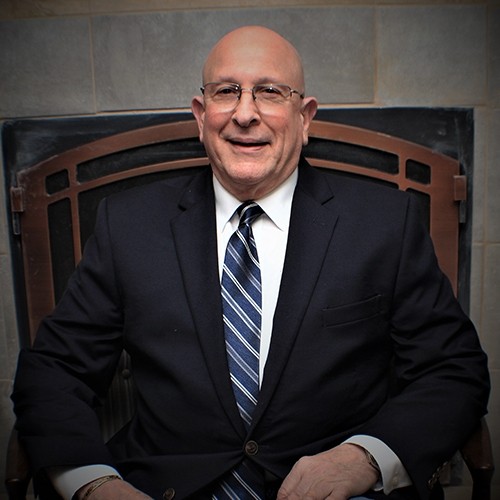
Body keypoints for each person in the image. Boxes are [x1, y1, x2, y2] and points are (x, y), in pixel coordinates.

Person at [12, 25, 489, 500]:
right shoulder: (128, 226)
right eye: (226, 92)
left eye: (270, 92)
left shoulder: (385, 223)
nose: (244, 114)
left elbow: (453, 369)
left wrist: (364, 459)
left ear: (305, 117)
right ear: (201, 116)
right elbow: (55, 369)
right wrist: (93, 484)